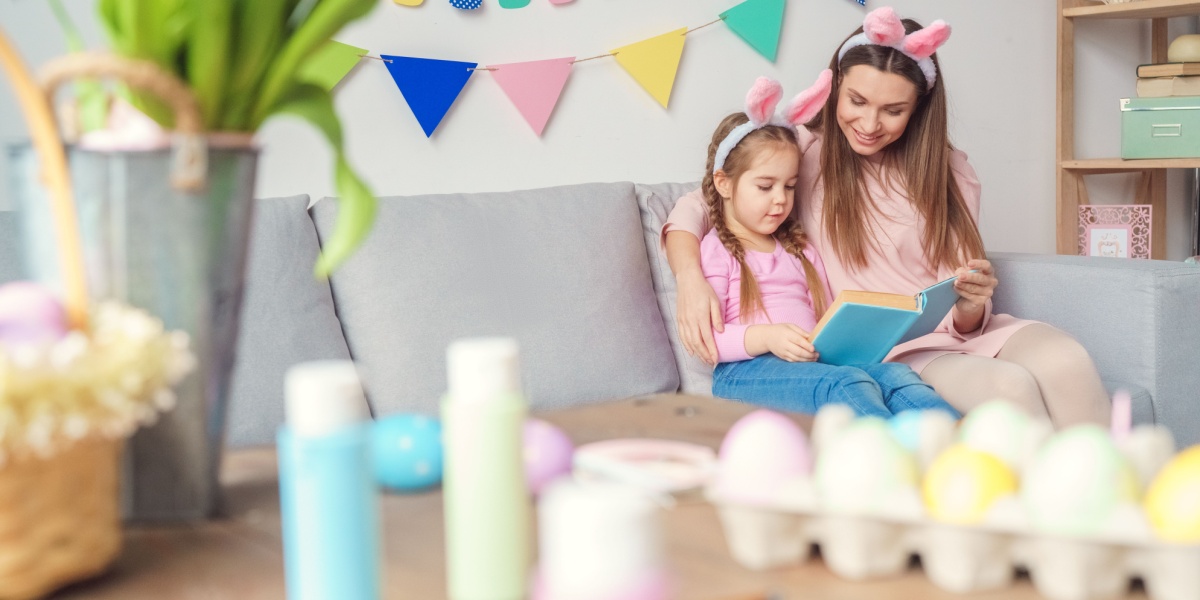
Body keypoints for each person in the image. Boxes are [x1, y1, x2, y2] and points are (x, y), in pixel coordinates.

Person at [663, 7, 1110, 427]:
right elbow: (700, 203)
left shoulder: (950, 171)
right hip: (896, 352)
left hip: (964, 333)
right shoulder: (803, 153)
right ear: (836, 85)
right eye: (857, 100)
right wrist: (690, 277)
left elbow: (964, 299)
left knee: (1067, 361)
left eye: (893, 111)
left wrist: (972, 303)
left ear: (918, 108)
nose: (869, 124)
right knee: (1009, 387)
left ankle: (1112, 485)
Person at [697, 74, 959, 419]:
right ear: (723, 183)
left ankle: (956, 440)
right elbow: (708, 341)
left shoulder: (799, 250)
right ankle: (888, 449)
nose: (781, 199)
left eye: (789, 186)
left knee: (895, 375)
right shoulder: (716, 250)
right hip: (744, 372)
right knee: (844, 383)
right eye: (765, 186)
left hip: (810, 365)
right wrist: (767, 338)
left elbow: (823, 318)